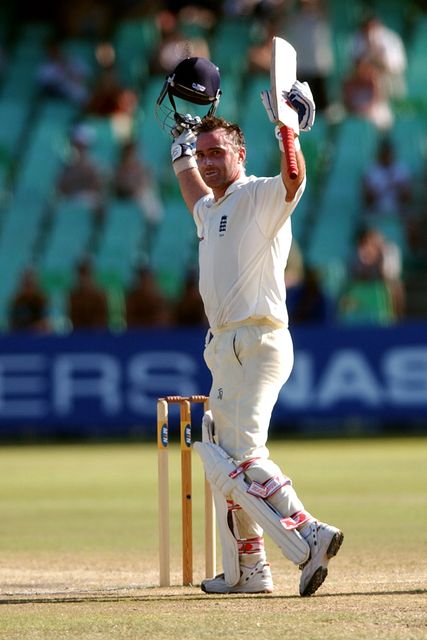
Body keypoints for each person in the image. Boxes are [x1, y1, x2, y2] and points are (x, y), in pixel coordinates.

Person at [164, 56, 343, 596]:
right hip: (225, 347)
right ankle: (251, 570)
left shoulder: (260, 194)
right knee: (221, 453)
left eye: (219, 153)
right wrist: (181, 152)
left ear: (241, 155)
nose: (210, 162)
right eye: (206, 154)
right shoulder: (211, 208)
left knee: (234, 457)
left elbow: (295, 178)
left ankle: (309, 532)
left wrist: (288, 131)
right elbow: (194, 192)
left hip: (257, 339)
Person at [67, 258, 109, 329]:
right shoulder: (73, 297)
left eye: (86, 274)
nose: (83, 278)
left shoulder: (99, 297)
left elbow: (101, 324)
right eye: (81, 274)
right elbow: (74, 322)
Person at [8, 267, 50, 332]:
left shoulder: (41, 301)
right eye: (26, 283)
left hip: (37, 336)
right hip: (20, 336)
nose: (28, 286)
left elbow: (45, 323)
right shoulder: (17, 301)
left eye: (31, 283)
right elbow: (12, 325)